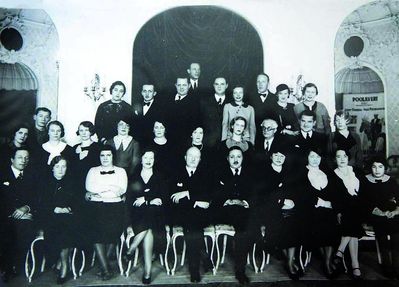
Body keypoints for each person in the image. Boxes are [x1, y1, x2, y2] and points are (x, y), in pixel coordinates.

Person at [259, 146, 304, 280]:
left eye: (282, 156)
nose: (279, 158)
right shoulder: (264, 173)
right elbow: (263, 196)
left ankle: (289, 261)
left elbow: (294, 191)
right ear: (271, 156)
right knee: (281, 224)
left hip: (288, 209)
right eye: (276, 155)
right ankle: (290, 262)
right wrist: (281, 201)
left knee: (293, 223)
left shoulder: (289, 173)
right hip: (269, 210)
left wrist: (291, 201)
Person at [169, 147, 212, 283]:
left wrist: (187, 193)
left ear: (200, 159)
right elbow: (173, 197)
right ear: (185, 157)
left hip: (200, 216)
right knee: (192, 223)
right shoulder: (175, 173)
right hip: (180, 214)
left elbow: (209, 194)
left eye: (196, 157)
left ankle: (195, 267)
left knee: (193, 224)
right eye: (190, 156)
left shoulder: (206, 174)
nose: (193, 159)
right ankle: (201, 258)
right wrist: (196, 200)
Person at [85, 145, 128, 280]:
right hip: (97, 207)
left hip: (116, 207)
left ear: (113, 156)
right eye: (102, 155)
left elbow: (122, 190)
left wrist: (100, 190)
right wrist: (110, 188)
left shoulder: (121, 171)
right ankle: (106, 269)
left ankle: (104, 266)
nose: (105, 158)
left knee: (113, 232)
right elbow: (89, 187)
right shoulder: (93, 170)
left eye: (108, 155)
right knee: (96, 233)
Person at [213, 146, 254, 284]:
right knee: (242, 221)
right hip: (225, 211)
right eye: (232, 157)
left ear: (243, 158)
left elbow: (255, 193)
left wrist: (245, 202)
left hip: (243, 211)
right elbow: (215, 193)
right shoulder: (219, 173)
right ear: (227, 159)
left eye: (238, 156)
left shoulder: (250, 174)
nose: (235, 160)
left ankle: (240, 270)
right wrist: (228, 200)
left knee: (244, 226)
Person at [125, 150, 167, 284]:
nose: (149, 160)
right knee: (148, 227)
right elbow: (131, 199)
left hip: (156, 214)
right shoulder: (134, 176)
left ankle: (132, 248)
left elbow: (163, 197)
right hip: (138, 214)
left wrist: (145, 199)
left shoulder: (160, 176)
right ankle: (147, 271)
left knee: (151, 217)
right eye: (146, 157)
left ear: (154, 160)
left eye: (152, 158)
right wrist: (150, 198)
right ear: (141, 159)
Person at [299, 148, 340, 278]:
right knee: (319, 224)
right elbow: (301, 194)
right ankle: (328, 263)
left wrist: (331, 204)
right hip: (309, 210)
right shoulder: (301, 172)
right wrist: (321, 203)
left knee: (330, 223)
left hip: (327, 210)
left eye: (318, 156)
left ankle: (327, 262)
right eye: (312, 156)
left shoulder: (327, 172)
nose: (315, 159)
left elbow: (335, 192)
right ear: (307, 157)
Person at [37, 156, 77, 284]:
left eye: (63, 166)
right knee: (61, 227)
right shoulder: (44, 183)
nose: (60, 170)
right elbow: (40, 204)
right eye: (57, 166)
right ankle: (62, 262)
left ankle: (63, 264)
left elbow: (77, 202)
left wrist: (69, 208)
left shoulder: (71, 182)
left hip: (68, 217)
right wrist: (55, 209)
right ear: (52, 168)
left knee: (68, 225)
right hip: (49, 217)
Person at [0, 148, 37, 281]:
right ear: (12, 159)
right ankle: (7, 266)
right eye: (20, 157)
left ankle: (15, 265)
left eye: (26, 157)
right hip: (4, 216)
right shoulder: (2, 174)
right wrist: (13, 213)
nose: (24, 160)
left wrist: (26, 209)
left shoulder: (32, 175)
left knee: (25, 230)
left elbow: (36, 198)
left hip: (25, 217)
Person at [330, 149, 365, 280]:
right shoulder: (332, 175)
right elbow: (334, 197)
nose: (342, 159)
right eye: (338, 156)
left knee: (353, 215)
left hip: (358, 208)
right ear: (335, 159)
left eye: (344, 156)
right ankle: (355, 265)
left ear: (348, 157)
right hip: (343, 210)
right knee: (352, 224)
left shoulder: (356, 171)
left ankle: (340, 250)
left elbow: (364, 192)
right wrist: (338, 211)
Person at [363, 157, 399, 278]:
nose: (377, 170)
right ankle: (387, 266)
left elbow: (398, 200)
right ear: (371, 168)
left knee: (396, 236)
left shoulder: (391, 181)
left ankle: (397, 266)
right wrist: (380, 213)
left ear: (385, 168)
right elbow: (364, 202)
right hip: (374, 214)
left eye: (380, 167)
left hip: (391, 214)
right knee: (382, 235)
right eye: (374, 167)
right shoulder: (366, 180)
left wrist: (395, 211)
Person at [165, 77, 200, 155]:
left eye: (184, 85)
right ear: (176, 85)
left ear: (189, 85)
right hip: (167, 142)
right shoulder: (167, 100)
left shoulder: (194, 104)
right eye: (179, 85)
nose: (181, 88)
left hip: (184, 144)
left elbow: (193, 125)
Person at [199, 77, 228, 151]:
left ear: (226, 86)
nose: (219, 86)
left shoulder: (231, 102)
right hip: (209, 144)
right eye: (216, 84)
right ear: (213, 85)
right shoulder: (205, 102)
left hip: (227, 144)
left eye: (222, 84)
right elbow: (200, 123)